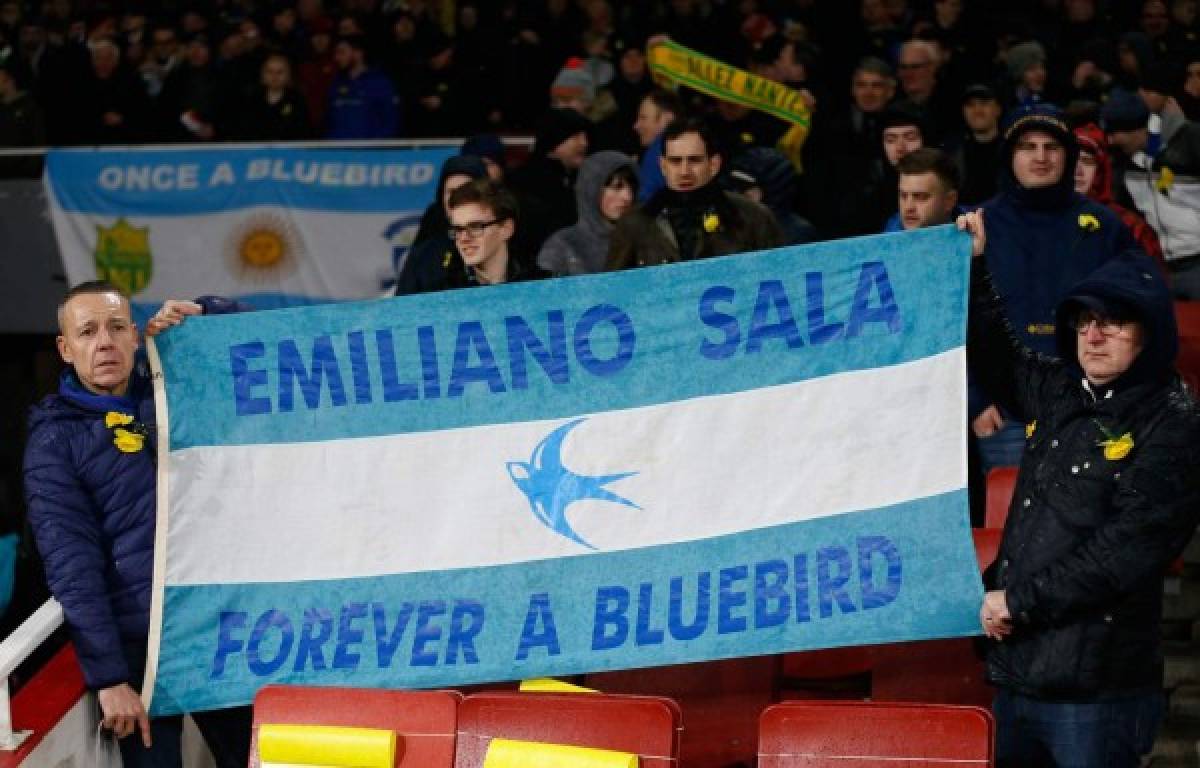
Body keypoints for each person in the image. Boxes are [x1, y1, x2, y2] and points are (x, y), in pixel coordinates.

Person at [961, 211, 1200, 768]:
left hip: (1097, 692)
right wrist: (977, 269)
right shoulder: (1064, 389)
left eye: (1113, 323)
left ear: (1151, 332)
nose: (1094, 336)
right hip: (1019, 672)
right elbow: (998, 358)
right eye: (1085, 321)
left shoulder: (1175, 425)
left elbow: (1122, 554)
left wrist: (1018, 601)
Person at [24, 283, 251, 768]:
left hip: (216, 632)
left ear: (135, 335)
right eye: (87, 332)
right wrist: (108, 677)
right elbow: (72, 567)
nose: (104, 342)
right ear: (66, 349)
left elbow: (256, 344)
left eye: (116, 327)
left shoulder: (175, 392)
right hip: (138, 655)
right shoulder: (54, 443)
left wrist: (202, 313)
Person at [971, 104, 1148, 473]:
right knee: (1014, 524)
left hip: (1091, 403)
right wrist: (975, 399)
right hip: (1006, 411)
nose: (1040, 157)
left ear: (1068, 155)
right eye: (1027, 147)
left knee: (1088, 519)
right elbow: (955, 320)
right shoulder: (978, 227)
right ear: (1009, 156)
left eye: (1052, 147)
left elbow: (1140, 311)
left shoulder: (1104, 226)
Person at [607, 116, 783, 269]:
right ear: (663, 166)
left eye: (694, 160)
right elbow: (614, 292)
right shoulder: (635, 223)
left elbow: (783, 281)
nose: (684, 171)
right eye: (675, 161)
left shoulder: (752, 218)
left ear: (714, 165)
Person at [397, 178, 531, 293]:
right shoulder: (439, 297)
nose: (463, 238)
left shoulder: (542, 287)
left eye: (475, 227)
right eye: (458, 229)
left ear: (506, 229)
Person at [1073, 123, 1165, 270]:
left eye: (1087, 161)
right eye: (1071, 161)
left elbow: (1153, 284)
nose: (1078, 171)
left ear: (1100, 171)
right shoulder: (1042, 218)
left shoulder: (1129, 226)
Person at [538, 150, 638, 276]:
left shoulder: (642, 239)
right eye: (616, 187)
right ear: (591, 190)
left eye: (632, 188)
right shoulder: (562, 246)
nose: (627, 196)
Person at [508, 107, 590, 255]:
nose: (584, 143)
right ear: (554, 142)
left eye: (585, 136)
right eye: (576, 136)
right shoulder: (525, 183)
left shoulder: (580, 177)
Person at [325, 33, 399, 139]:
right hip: (338, 152)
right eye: (335, 53)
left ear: (358, 53)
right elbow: (329, 121)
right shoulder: (336, 83)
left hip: (369, 152)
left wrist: (376, 147)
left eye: (341, 52)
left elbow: (390, 121)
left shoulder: (379, 82)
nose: (337, 58)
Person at [236, 52, 312, 140]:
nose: (274, 76)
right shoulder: (251, 100)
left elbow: (303, 133)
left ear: (288, 75)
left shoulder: (297, 101)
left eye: (280, 72)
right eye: (269, 71)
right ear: (262, 75)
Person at [951, 83, 1004, 206]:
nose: (977, 110)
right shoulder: (952, 153)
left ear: (997, 109)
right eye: (970, 105)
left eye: (984, 103)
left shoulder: (1013, 149)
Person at [886, 147, 962, 231]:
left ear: (949, 201)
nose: (908, 207)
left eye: (920, 197)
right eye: (903, 196)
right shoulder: (887, 235)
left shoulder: (974, 229)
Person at [632, 88, 684, 203]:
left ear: (667, 119)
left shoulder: (657, 152)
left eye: (643, 118)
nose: (636, 126)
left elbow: (643, 206)